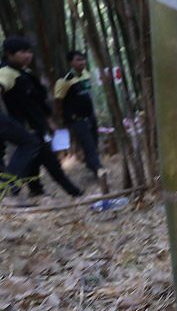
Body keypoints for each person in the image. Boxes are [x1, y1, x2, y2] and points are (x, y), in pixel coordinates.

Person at [0, 36, 82, 198]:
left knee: (36, 160)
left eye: (29, 52)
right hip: (24, 127)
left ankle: (36, 191)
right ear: (9, 53)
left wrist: (49, 122)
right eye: (23, 52)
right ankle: (8, 190)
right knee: (47, 161)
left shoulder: (26, 73)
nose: (28, 55)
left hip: (37, 125)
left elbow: (37, 101)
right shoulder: (6, 72)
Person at [54, 49, 108, 191]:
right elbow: (58, 100)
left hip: (90, 116)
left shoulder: (85, 74)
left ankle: (91, 165)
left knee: (94, 143)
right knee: (89, 145)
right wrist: (62, 117)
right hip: (76, 119)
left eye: (83, 59)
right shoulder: (65, 80)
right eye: (78, 60)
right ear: (70, 62)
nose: (82, 62)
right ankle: (99, 171)